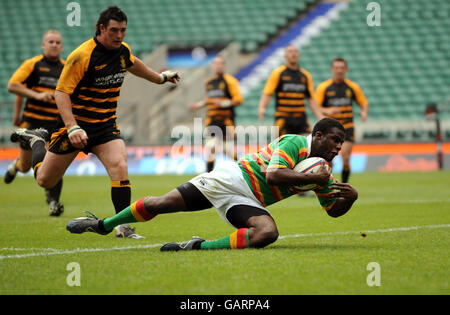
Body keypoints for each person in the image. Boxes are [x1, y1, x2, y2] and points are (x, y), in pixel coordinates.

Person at [10, 6, 180, 238]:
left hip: (105, 126)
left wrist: (160, 78)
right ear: (101, 28)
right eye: (114, 31)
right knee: (44, 180)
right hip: (74, 128)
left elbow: (134, 64)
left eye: (123, 30)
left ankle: (123, 226)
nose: (119, 36)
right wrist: (72, 127)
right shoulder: (82, 56)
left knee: (119, 167)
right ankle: (36, 140)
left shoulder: (123, 51)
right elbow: (61, 93)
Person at [66, 118, 358, 251]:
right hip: (229, 179)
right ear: (318, 136)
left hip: (248, 202)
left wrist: (350, 198)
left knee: (267, 233)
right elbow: (273, 176)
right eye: (335, 141)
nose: (338, 148)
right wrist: (313, 179)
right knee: (163, 204)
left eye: (341, 144)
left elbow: (332, 210)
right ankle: (104, 224)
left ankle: (197, 246)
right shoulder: (294, 142)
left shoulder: (322, 171)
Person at [5, 30, 65, 216]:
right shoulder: (33, 65)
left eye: (57, 42)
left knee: (53, 162)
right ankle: (15, 167)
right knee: (25, 166)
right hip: (31, 124)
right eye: (50, 41)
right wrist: (36, 97)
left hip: (53, 125)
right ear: (43, 45)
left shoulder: (66, 67)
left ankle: (54, 202)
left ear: (62, 46)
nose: (54, 45)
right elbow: (14, 86)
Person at [258, 45, 333, 136]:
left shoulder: (305, 75)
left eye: (295, 51)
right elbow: (268, 93)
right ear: (285, 56)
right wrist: (262, 107)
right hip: (283, 117)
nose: (293, 54)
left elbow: (311, 99)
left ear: (298, 55)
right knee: (284, 147)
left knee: (306, 145)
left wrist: (320, 116)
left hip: (300, 118)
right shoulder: (278, 73)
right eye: (290, 51)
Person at [315, 57, 369, 183]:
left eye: (342, 68)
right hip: (330, 129)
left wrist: (364, 112)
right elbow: (316, 107)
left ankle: (345, 185)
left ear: (346, 70)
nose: (339, 70)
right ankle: (327, 185)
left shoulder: (352, 87)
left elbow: (364, 103)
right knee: (328, 160)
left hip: (347, 128)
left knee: (345, 159)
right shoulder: (324, 87)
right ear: (332, 70)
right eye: (336, 68)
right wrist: (327, 111)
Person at [189, 55, 243, 172]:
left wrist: (223, 103)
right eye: (216, 63)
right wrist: (197, 105)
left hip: (226, 121)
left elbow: (238, 99)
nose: (218, 66)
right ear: (213, 66)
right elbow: (208, 100)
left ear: (224, 66)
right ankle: (208, 176)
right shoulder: (209, 82)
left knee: (228, 150)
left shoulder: (230, 81)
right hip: (212, 120)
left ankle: (241, 171)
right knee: (210, 148)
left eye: (220, 63)